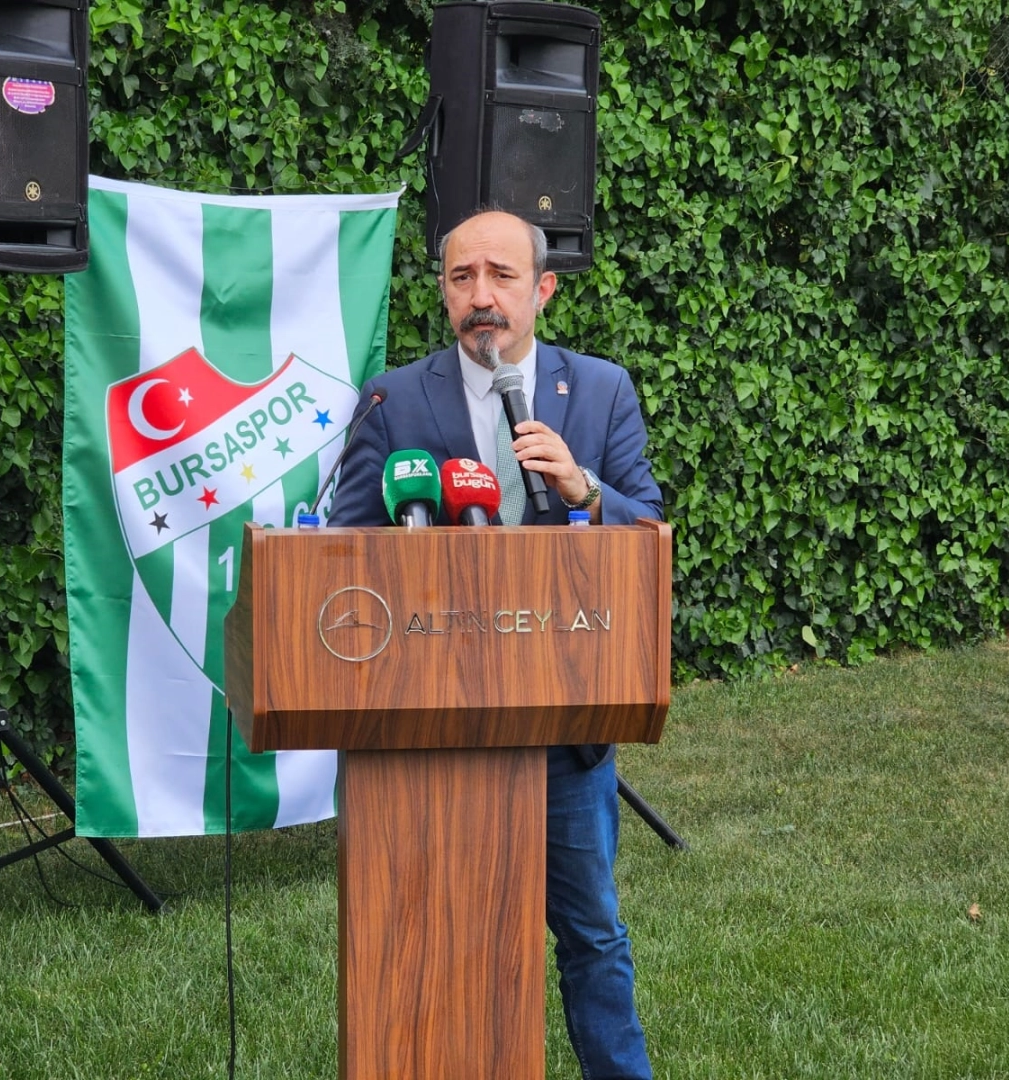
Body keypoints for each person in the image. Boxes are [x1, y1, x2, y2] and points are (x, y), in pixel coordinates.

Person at [326, 209, 663, 1080]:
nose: (482, 296)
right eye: (462, 277)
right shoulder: (394, 400)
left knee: (590, 934)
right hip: (429, 728)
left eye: (501, 276)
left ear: (542, 289)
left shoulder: (601, 391)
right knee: (434, 931)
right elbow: (344, 551)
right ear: (444, 292)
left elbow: (648, 530)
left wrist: (585, 490)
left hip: (564, 726)